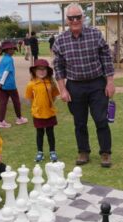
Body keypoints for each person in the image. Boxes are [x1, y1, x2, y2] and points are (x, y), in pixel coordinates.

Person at [52, 3, 115, 168]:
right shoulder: (60, 41)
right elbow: (58, 67)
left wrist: (110, 82)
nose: (75, 20)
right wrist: (62, 89)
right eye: (71, 18)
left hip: (97, 84)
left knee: (101, 120)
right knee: (79, 122)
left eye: (77, 17)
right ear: (67, 20)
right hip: (75, 86)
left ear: (83, 17)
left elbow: (106, 59)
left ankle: (105, 153)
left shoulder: (95, 35)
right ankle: (83, 152)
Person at [25, 59, 60, 162]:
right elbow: (30, 99)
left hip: (49, 112)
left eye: (44, 69)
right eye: (39, 69)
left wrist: (48, 105)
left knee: (50, 133)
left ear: (47, 71)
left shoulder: (51, 83)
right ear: (34, 71)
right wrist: (36, 107)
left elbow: (54, 97)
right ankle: (40, 152)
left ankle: (52, 152)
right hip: (38, 113)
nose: (41, 71)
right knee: (39, 133)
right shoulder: (31, 84)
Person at [0, 41, 28, 128]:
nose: (14, 50)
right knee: (16, 101)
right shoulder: (10, 59)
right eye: (12, 49)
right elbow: (6, 71)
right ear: (7, 50)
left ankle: (0, 121)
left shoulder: (3, 59)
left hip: (2, 86)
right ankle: (19, 118)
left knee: (3, 103)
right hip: (10, 85)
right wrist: (1, 82)